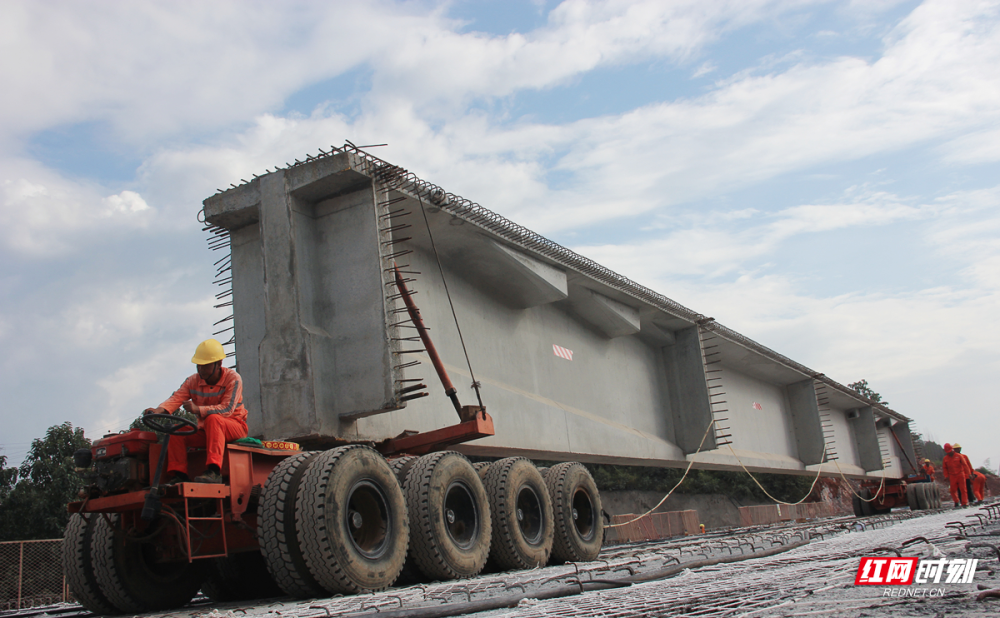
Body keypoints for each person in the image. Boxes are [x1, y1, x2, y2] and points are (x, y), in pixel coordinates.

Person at [144, 339, 248, 484]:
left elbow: (227, 409)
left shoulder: (233, 379)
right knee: (175, 431)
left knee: (213, 419)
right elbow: (176, 398)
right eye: (198, 366)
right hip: (207, 430)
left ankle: (214, 471)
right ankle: (179, 474)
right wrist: (157, 411)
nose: (201, 370)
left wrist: (198, 409)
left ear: (218, 364)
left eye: (205, 366)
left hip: (234, 426)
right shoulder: (192, 381)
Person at [941, 443, 970, 507]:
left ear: (952, 449)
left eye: (950, 451)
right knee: (953, 490)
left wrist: (968, 474)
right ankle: (956, 501)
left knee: (963, 489)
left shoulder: (959, 456)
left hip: (960, 474)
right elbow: (945, 468)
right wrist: (946, 476)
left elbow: (965, 465)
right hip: (952, 476)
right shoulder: (945, 459)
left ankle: (964, 503)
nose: (949, 453)